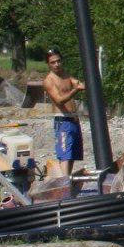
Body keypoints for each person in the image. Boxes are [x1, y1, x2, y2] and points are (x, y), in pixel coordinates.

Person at [42, 48, 87, 177]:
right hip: (62, 120)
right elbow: (59, 100)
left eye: (58, 61)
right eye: (53, 62)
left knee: (72, 153)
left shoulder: (66, 75)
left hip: (73, 118)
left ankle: (68, 179)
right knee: (65, 154)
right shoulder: (49, 80)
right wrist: (75, 90)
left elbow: (79, 84)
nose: (57, 64)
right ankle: (65, 182)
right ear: (49, 64)